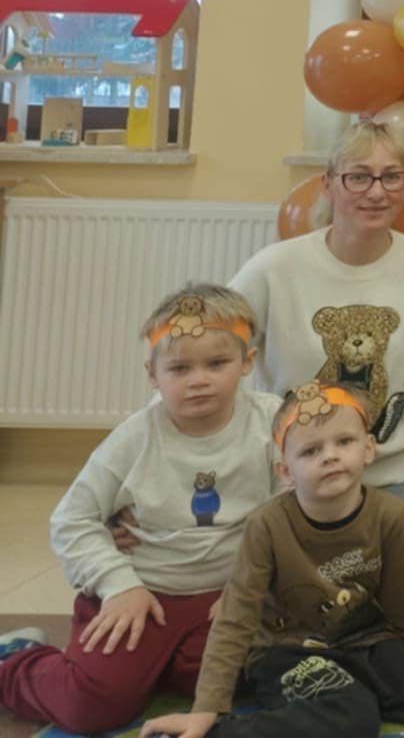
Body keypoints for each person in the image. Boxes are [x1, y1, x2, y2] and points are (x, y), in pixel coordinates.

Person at [0, 288, 279, 734]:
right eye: (180, 368)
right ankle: (17, 661)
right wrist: (119, 585)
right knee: (89, 706)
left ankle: (162, 665)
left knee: (246, 677)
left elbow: (294, 512)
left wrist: (254, 587)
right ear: (153, 374)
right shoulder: (134, 439)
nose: (199, 380)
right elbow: (71, 519)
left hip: (226, 596)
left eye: (216, 363)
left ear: (248, 362)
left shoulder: (272, 424)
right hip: (143, 592)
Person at [138, 383, 404, 738]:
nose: (330, 456)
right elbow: (235, 617)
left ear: (368, 448)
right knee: (353, 718)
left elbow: (399, 602)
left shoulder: (392, 515)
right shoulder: (267, 525)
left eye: (344, 442)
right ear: (285, 471)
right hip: (289, 651)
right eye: (310, 451)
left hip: (365, 639)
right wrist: (206, 709)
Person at [229, 121, 404, 563]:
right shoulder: (274, 269)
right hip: (296, 476)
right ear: (328, 184)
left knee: (393, 601)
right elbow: (202, 356)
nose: (376, 192)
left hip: (395, 473)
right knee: (296, 600)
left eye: (391, 177)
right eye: (358, 177)